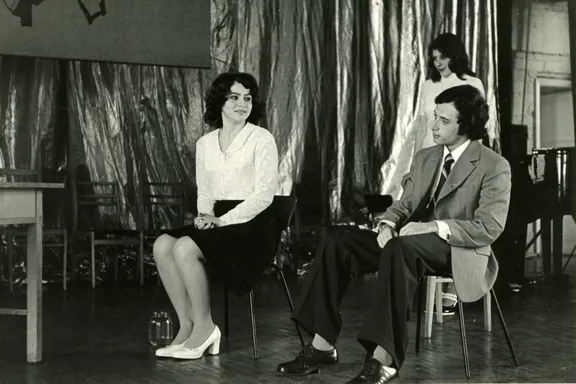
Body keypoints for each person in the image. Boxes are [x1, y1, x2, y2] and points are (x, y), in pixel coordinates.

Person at [276, 85, 511, 383]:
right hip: (408, 243)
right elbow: (404, 204)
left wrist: (431, 227)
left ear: (466, 126)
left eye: (444, 121)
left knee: (401, 249)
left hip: (457, 248)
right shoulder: (428, 157)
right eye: (434, 117)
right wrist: (386, 225)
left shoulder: (494, 165)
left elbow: (489, 227)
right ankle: (322, 346)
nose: (434, 125)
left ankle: (382, 361)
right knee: (338, 241)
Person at [152, 72, 279, 360]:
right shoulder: (205, 143)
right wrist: (205, 215)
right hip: (218, 219)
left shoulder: (262, 139)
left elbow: (263, 196)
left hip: (254, 224)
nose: (241, 104)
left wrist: (222, 221)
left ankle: (206, 329)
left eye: (247, 98)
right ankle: (187, 327)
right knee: (162, 244)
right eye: (234, 97)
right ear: (220, 101)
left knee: (185, 246)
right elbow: (205, 190)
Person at [415, 32, 486, 313]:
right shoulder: (429, 85)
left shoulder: (472, 83)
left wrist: (475, 164)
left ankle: (455, 290)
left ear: (454, 55)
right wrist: (416, 161)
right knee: (428, 215)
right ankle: (427, 291)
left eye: (442, 56)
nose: (438, 62)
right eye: (434, 58)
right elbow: (423, 125)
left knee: (459, 217)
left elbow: (477, 129)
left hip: (461, 157)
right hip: (433, 156)